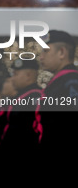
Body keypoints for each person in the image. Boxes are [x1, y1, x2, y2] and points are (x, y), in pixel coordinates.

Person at [38, 30, 78, 187]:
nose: (41, 56)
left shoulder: (70, 83)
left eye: (46, 51)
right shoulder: (60, 81)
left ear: (62, 52)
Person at [0, 59, 43, 187]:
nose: (12, 78)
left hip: (24, 162)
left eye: (16, 74)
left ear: (28, 75)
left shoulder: (36, 96)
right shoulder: (19, 97)